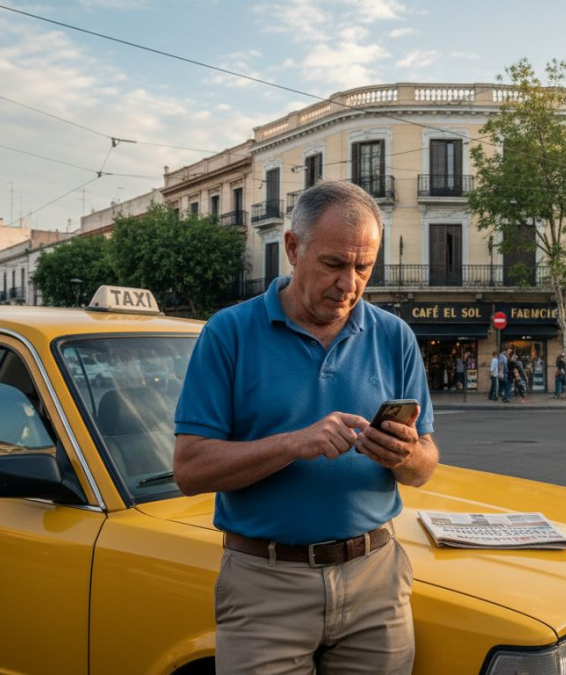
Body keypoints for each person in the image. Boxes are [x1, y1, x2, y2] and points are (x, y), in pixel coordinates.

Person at [173, 181, 439, 675]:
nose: (350, 285)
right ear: (293, 248)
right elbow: (189, 470)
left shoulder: (394, 335)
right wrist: (296, 443)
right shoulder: (228, 332)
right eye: (334, 264)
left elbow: (425, 465)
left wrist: (404, 454)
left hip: (375, 580)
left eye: (364, 268)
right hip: (264, 585)